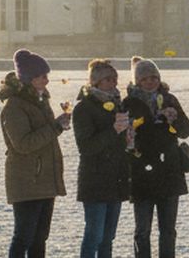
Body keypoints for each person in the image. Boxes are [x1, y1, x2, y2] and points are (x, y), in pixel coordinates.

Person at [0, 48, 69, 258]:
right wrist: (56, 127)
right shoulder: (14, 107)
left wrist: (58, 124)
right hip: (27, 180)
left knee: (39, 238)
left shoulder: (40, 101)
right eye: (41, 76)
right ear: (29, 79)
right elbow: (23, 144)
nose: (46, 81)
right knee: (24, 237)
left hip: (44, 180)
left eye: (46, 76)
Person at [124, 56, 189, 258]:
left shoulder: (170, 100)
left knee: (168, 230)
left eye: (154, 78)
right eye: (145, 79)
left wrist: (174, 119)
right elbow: (123, 137)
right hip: (141, 172)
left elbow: (186, 130)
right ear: (137, 81)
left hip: (169, 171)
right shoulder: (129, 103)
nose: (150, 82)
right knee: (142, 230)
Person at [73, 58, 131, 258]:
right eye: (108, 79)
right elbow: (86, 146)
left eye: (115, 78)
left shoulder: (117, 104)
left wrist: (128, 137)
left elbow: (117, 143)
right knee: (94, 236)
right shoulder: (84, 108)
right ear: (95, 82)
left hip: (116, 178)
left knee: (108, 237)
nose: (113, 83)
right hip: (95, 180)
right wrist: (114, 129)